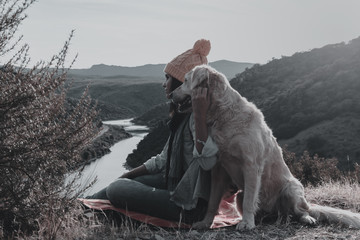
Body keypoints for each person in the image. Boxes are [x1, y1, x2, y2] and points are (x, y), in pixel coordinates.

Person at [86, 39, 219, 224]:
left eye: (168, 78)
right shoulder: (183, 113)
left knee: (117, 189)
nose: (164, 84)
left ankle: (84, 209)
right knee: (120, 183)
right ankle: (80, 207)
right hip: (176, 182)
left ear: (182, 83)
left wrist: (199, 115)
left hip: (191, 205)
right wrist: (129, 174)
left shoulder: (199, 117)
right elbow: (163, 160)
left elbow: (207, 161)